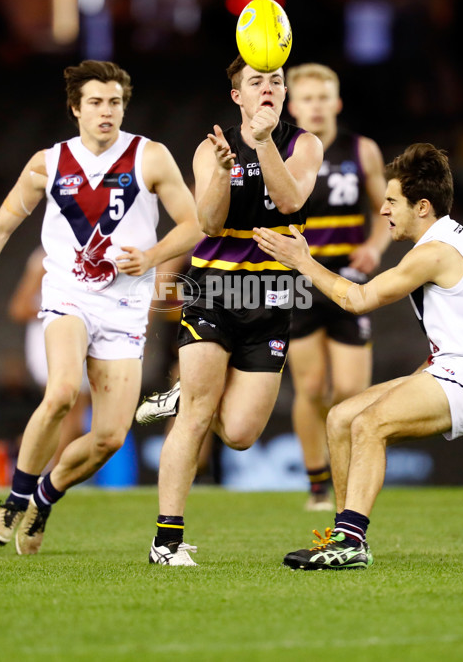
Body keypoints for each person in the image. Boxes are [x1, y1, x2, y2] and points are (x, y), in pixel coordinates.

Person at [0, 59, 201, 555]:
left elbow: (193, 225)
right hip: (68, 296)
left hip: (125, 307)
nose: (107, 112)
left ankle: (45, 494)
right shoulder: (47, 163)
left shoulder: (151, 157)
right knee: (59, 392)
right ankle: (12, 503)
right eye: (96, 103)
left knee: (110, 438)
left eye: (115, 103)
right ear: (76, 109)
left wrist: (151, 255)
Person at [253, 143, 463, 570]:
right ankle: (341, 536)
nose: (383, 210)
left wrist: (304, 262)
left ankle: (351, 542)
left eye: (392, 201)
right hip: (453, 367)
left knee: (370, 424)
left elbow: (356, 299)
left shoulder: (434, 253)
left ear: (423, 206)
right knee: (340, 418)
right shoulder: (446, 240)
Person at [138, 54, 323, 566]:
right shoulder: (209, 148)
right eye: (256, 82)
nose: (269, 88)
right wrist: (220, 173)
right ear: (238, 96)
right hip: (214, 289)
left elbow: (289, 202)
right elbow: (211, 223)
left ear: (285, 93)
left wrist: (263, 145)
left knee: (240, 433)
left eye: (276, 81)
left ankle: (187, 393)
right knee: (198, 415)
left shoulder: (304, 144)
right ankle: (166, 542)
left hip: (272, 298)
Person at [284, 64, 391, 511]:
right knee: (310, 387)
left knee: (350, 390)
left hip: (348, 280)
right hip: (299, 279)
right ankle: (316, 483)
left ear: (337, 103)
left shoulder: (361, 150)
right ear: (292, 105)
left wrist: (374, 246)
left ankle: (346, 476)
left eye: (323, 97)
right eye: (307, 98)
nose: (315, 105)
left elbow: (387, 210)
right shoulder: (280, 151)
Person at [8, 246, 91, 467]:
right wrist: (65, 312)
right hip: (50, 343)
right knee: (62, 413)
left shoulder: (91, 251)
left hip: (77, 341)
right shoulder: (44, 258)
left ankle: (43, 470)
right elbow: (19, 307)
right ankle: (40, 472)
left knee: (75, 418)